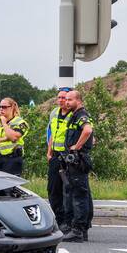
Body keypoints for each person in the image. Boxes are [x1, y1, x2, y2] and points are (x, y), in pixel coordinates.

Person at [60, 90, 94, 243]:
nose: (66, 102)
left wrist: (76, 147)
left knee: (79, 196)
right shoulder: (73, 116)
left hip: (78, 160)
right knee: (77, 193)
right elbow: (90, 136)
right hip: (74, 161)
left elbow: (88, 130)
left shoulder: (81, 115)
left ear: (78, 101)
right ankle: (81, 229)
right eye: (65, 99)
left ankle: (78, 231)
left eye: (70, 100)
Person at [45, 89, 71, 232]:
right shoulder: (54, 113)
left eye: (64, 98)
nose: (61, 100)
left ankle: (68, 222)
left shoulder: (75, 114)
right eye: (59, 97)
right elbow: (52, 134)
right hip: (55, 156)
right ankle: (59, 219)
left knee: (68, 190)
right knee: (53, 189)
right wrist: (49, 153)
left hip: (68, 157)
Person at [0, 97, 28, 175]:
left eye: (4, 107)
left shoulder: (20, 123)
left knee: (10, 186)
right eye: (0, 107)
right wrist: (4, 138)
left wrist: (4, 123)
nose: (1, 109)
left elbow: (13, 137)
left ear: (12, 107)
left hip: (12, 160)